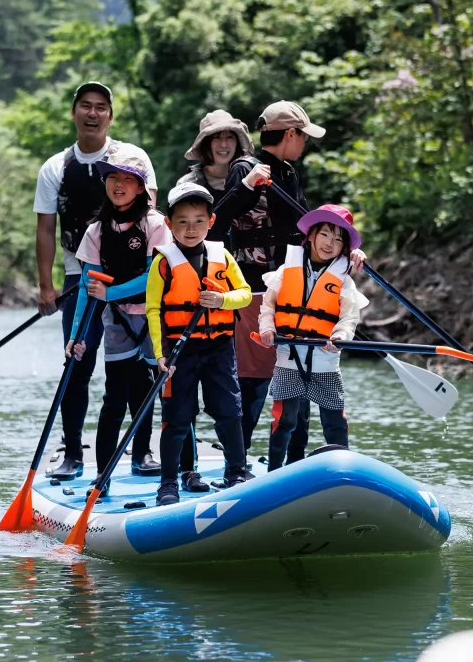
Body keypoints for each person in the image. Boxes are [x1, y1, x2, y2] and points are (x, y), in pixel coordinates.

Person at [215, 100, 354, 461]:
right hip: (257, 289)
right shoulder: (245, 169)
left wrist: (349, 251)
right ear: (290, 134)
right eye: (303, 136)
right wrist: (247, 185)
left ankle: (295, 461)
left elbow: (312, 228)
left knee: (301, 377)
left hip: (298, 286)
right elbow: (216, 222)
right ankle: (237, 460)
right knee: (256, 380)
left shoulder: (289, 174)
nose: (304, 143)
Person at [33, 81, 158, 480]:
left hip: (135, 278)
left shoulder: (132, 156)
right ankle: (73, 451)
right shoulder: (55, 168)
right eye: (85, 106)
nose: (93, 113)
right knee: (78, 362)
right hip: (80, 275)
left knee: (142, 365)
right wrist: (45, 287)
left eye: (101, 107)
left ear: (110, 114)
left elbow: (150, 216)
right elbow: (45, 230)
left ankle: (141, 452)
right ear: (73, 113)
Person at [66, 148, 170, 492]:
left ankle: (142, 455)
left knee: (145, 391)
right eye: (113, 178)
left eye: (128, 179)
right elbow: (87, 286)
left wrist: (109, 294)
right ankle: (104, 473)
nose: (119, 185)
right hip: (118, 322)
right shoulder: (96, 231)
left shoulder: (155, 225)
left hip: (153, 319)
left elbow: (155, 277)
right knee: (114, 396)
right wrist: (77, 335)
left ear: (141, 187)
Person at [145, 182, 253, 506]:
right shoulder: (163, 262)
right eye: (182, 221)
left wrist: (221, 299)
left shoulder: (223, 255)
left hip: (220, 348)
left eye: (198, 220)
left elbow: (244, 294)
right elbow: (154, 310)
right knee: (178, 417)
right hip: (181, 350)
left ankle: (236, 472)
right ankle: (169, 483)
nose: (191, 228)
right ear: (169, 224)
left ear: (211, 221)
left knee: (229, 412)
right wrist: (160, 355)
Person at [256, 205, 368, 469]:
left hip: (325, 361)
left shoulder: (344, 280)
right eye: (325, 234)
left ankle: (343, 471)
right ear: (312, 235)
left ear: (345, 248)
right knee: (284, 420)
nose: (330, 243)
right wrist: (266, 328)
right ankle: (275, 472)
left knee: (334, 421)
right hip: (288, 357)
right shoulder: (287, 270)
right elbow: (268, 306)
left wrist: (339, 336)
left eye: (339, 239)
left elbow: (349, 318)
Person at [178, 110, 253, 229]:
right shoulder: (188, 184)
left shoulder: (250, 179)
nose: (223, 144)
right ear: (206, 143)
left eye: (230, 137)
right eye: (216, 137)